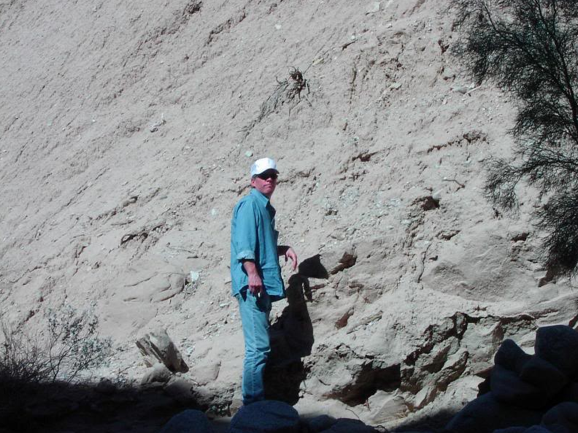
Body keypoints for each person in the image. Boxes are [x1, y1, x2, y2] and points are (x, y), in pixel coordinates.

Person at [230, 157, 298, 405]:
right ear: (253, 181)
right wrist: (252, 273)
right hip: (253, 286)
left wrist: (283, 249)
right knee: (257, 348)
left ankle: (255, 403)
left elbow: (262, 246)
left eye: (273, 175)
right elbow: (244, 245)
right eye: (264, 176)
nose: (269, 179)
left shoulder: (264, 208)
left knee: (259, 347)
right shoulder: (250, 205)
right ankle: (253, 405)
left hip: (259, 285)